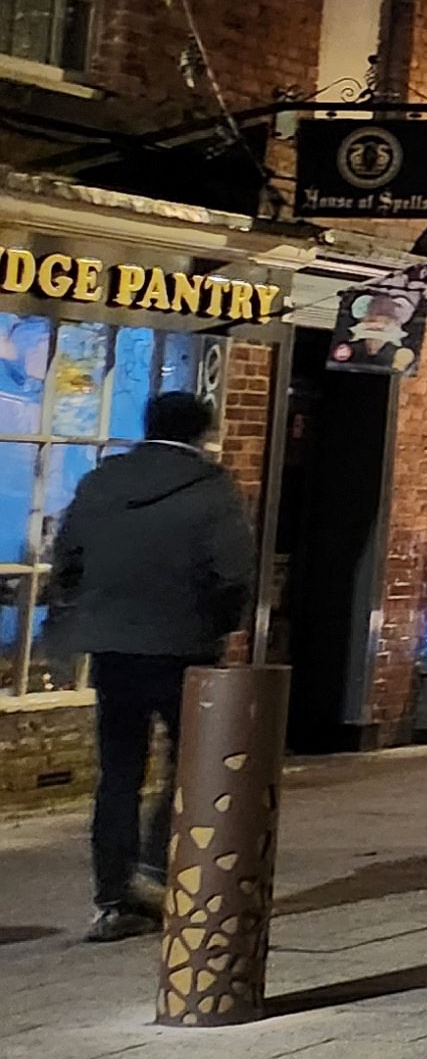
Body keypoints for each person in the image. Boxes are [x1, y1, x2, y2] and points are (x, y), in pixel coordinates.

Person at [50, 389, 256, 942]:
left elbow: (66, 555)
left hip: (114, 648)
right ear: (203, 432)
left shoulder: (103, 480)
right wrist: (216, 623)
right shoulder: (213, 490)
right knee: (190, 767)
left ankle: (112, 899)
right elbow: (234, 571)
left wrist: (91, 610)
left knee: (117, 772)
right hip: (185, 646)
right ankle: (155, 869)